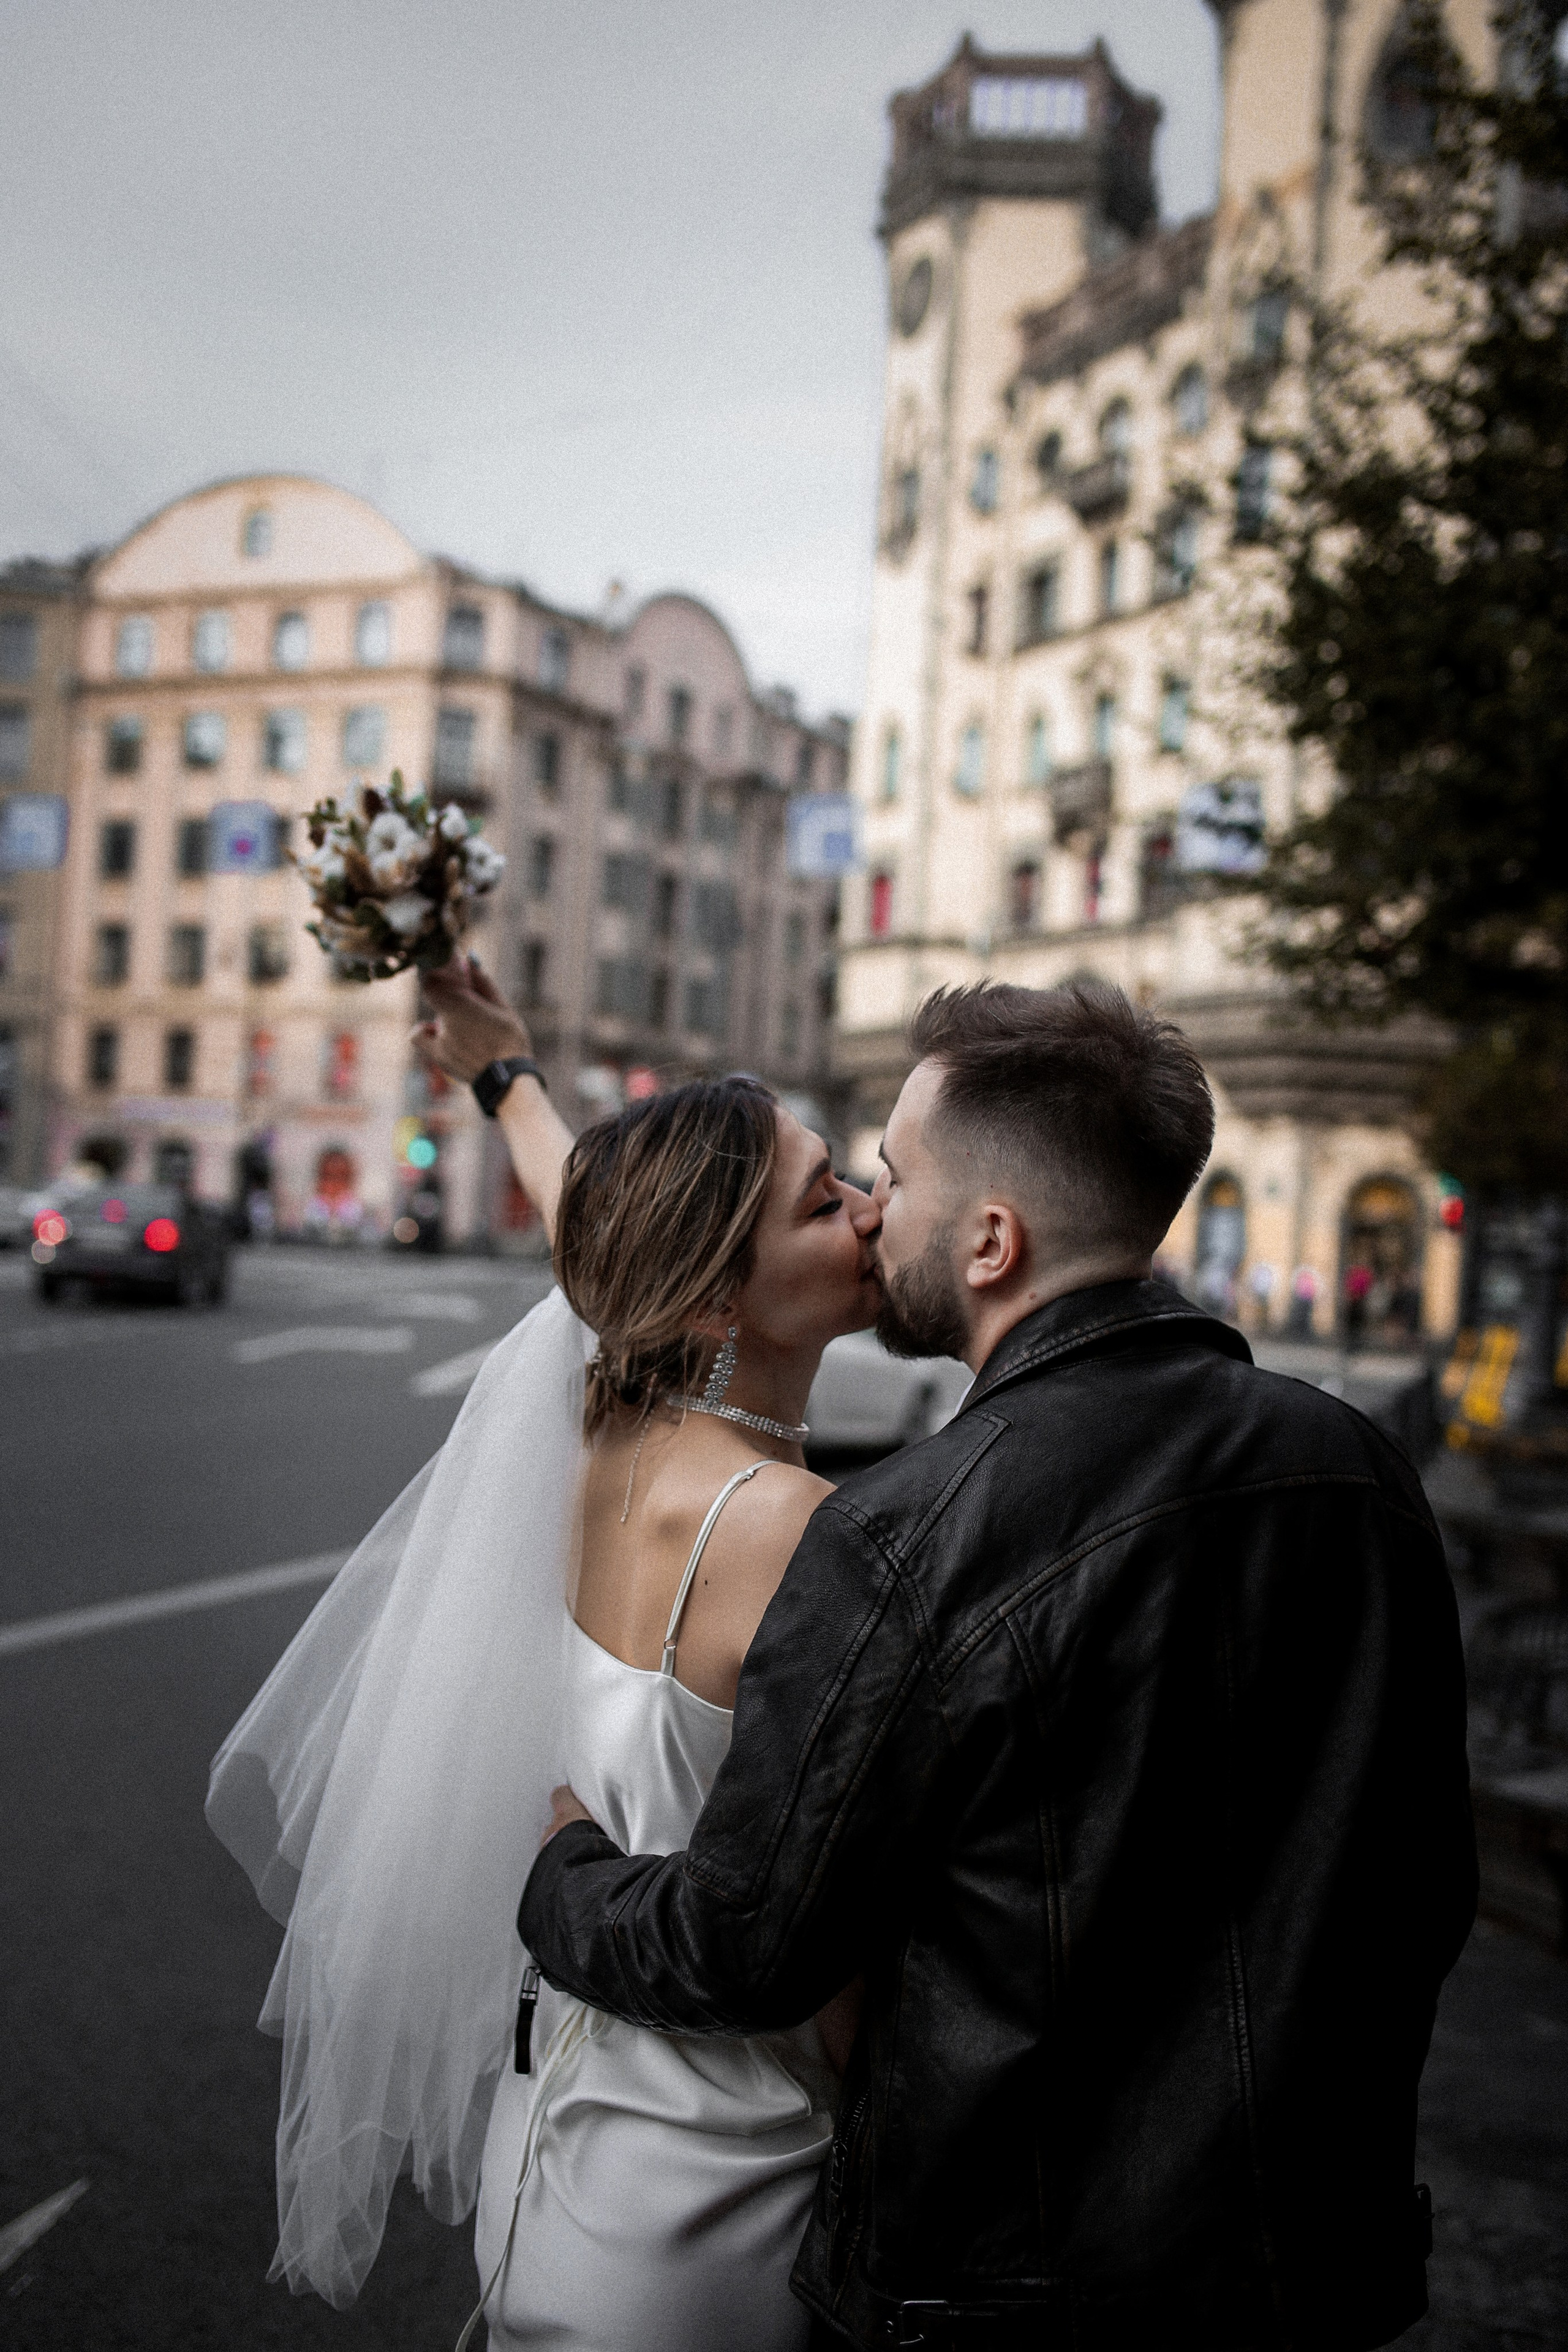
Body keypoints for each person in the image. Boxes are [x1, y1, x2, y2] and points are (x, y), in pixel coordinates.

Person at [521, 978, 1478, 2351]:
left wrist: (564, 1879)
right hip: (1315, 2265)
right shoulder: (1360, 1471)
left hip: (1004, 2288)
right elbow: (1420, 1882)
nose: (869, 1208)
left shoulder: (904, 1536)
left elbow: (750, 1946)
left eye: (892, 1176)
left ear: (986, 1241)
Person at [206, 954, 880, 2346]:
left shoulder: (593, 1441)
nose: (872, 1215)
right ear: (710, 1299)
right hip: (720, 2184)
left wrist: (508, 1079)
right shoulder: (796, 1531)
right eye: (829, 1197)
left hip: (557, 2135)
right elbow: (834, 1958)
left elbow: (611, 1222)